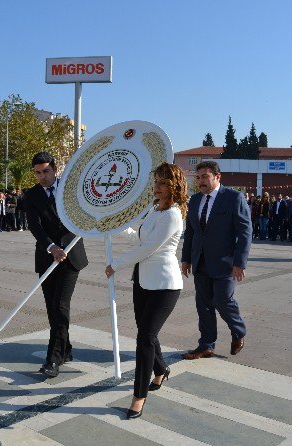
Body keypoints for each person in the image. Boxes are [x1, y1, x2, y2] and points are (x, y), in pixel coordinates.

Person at [105, 163, 187, 420]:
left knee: (144, 337)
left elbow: (148, 249)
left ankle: (138, 396)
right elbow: (140, 239)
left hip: (165, 285)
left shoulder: (173, 214)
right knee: (147, 334)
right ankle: (161, 369)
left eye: (163, 184)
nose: (157, 188)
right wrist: (117, 226)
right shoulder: (155, 211)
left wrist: (115, 264)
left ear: (174, 186)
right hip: (142, 281)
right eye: (156, 183)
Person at [25, 151, 88, 378]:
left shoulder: (70, 190)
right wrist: (52, 248)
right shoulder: (31, 195)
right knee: (53, 309)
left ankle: (53, 359)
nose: (42, 177)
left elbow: (84, 215)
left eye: (46, 171)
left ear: (55, 168)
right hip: (47, 258)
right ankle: (66, 349)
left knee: (60, 306)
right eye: (38, 173)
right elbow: (35, 226)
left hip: (71, 257)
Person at [181, 161, 252, 360]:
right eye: (198, 178)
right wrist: (186, 259)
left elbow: (245, 232)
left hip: (225, 263)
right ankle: (206, 344)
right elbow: (191, 232)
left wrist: (240, 263)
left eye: (205, 177)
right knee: (203, 305)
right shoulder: (194, 200)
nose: (201, 181)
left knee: (222, 300)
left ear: (217, 177)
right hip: (200, 261)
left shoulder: (233, 198)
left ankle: (239, 330)